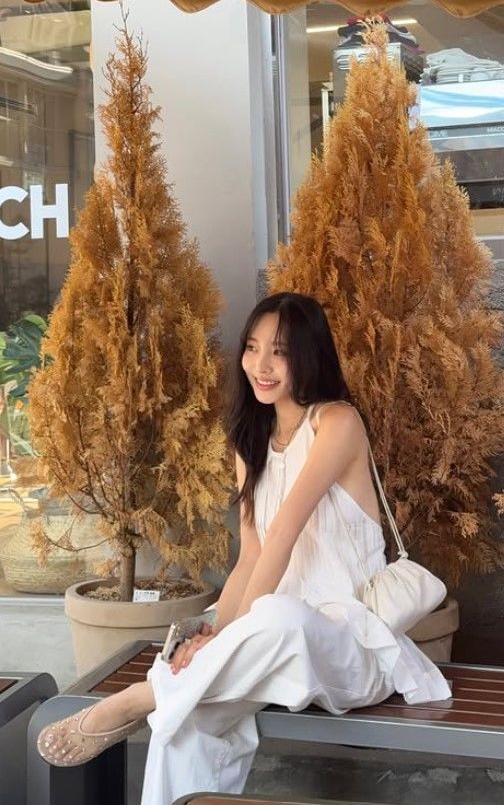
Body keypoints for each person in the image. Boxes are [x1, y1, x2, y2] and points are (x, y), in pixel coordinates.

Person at [37, 292, 451, 803]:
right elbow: (251, 556)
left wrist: (223, 641)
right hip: (268, 651)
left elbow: (284, 535)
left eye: (279, 352)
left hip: (347, 649)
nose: (261, 365)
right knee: (190, 711)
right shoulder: (250, 440)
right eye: (252, 348)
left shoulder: (337, 423)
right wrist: (214, 634)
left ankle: (136, 701)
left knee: (278, 616)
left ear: (309, 355)